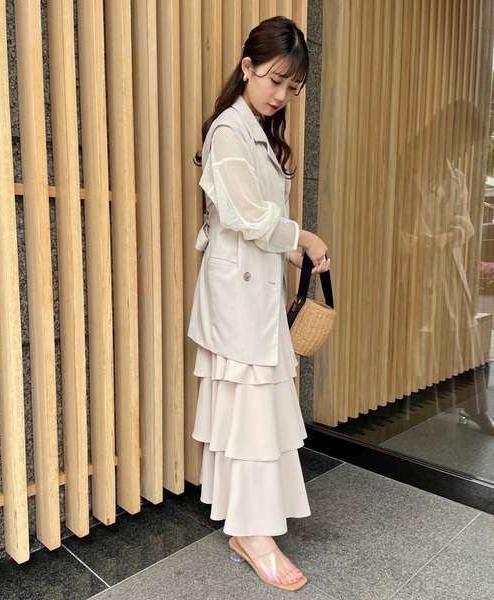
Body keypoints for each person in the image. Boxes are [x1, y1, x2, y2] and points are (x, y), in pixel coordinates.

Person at [188, 16, 330, 592]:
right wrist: (303, 237)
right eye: (274, 80)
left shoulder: (261, 133)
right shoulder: (229, 130)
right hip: (238, 298)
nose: (281, 95)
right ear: (247, 67)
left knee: (254, 416)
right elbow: (248, 216)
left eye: (292, 88)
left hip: (255, 292)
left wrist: (293, 253)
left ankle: (248, 526)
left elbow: (255, 221)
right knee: (249, 416)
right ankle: (253, 535)